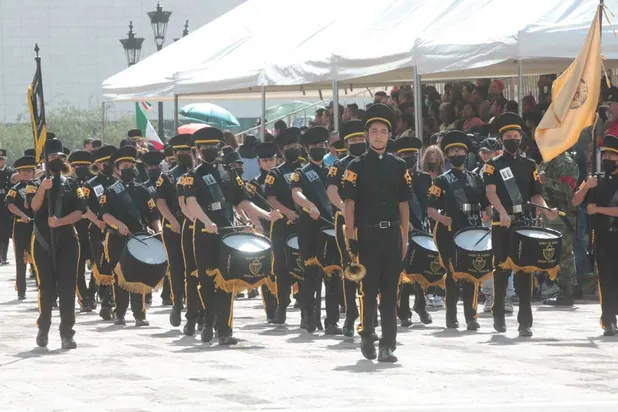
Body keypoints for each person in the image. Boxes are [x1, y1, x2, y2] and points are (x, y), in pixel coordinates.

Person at [184, 127, 277, 345]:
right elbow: (191, 202)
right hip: (206, 232)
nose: (210, 150)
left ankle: (225, 329)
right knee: (207, 281)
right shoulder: (192, 176)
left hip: (228, 231)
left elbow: (241, 201)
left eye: (214, 146)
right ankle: (208, 321)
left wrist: (266, 215)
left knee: (226, 281)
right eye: (205, 147)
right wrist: (206, 222)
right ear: (197, 150)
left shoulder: (229, 172)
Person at [341, 103, 411, 363]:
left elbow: (403, 204)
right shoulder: (356, 167)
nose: (379, 135)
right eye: (374, 131)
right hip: (367, 236)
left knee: (391, 292)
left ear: (390, 135)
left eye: (383, 131)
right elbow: (349, 204)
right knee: (368, 291)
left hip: (392, 235)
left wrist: (405, 236)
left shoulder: (399, 165)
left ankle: (388, 345)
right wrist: (351, 236)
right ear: (367, 135)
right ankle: (367, 334)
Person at [483, 112, 558, 337]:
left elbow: (536, 195)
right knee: (502, 270)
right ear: (501, 139)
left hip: (524, 223)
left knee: (525, 272)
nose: (513, 139)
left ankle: (525, 321)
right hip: (502, 223)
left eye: (516, 135)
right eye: (508, 136)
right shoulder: (493, 165)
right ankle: (498, 311)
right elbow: (490, 192)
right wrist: (502, 212)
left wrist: (546, 209)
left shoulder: (529, 164)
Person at [27, 136, 86, 349]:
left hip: (68, 242)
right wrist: (43, 187)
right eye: (51, 156)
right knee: (47, 288)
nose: (55, 159)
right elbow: (33, 207)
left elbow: (81, 210)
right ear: (44, 159)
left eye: (58, 156)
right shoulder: (35, 183)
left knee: (68, 288)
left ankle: (67, 333)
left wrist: (60, 221)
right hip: (43, 242)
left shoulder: (72, 182)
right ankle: (43, 327)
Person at [427, 131, 491, 330]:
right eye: (453, 151)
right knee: (453, 275)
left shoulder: (475, 178)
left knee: (471, 274)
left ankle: (471, 317)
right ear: (447, 155)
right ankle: (451, 316)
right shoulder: (441, 181)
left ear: (466, 153)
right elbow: (430, 209)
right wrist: (443, 218)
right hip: (448, 231)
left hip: (472, 230)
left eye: (460, 150)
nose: (457, 153)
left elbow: (485, 204)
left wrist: (492, 213)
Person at [99, 145, 162, 327]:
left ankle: (139, 314)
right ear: (117, 170)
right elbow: (105, 215)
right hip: (117, 239)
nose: (129, 170)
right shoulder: (110, 191)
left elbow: (153, 214)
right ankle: (119, 313)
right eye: (124, 167)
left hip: (139, 238)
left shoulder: (142, 190)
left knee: (138, 276)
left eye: (131, 166)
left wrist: (157, 229)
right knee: (119, 278)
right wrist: (118, 224)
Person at [290, 126, 342, 335]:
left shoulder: (332, 172)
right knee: (311, 275)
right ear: (307, 149)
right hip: (310, 228)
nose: (319, 149)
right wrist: (309, 205)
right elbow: (296, 194)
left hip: (330, 227)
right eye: (315, 146)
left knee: (333, 274)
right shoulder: (300, 173)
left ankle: (332, 321)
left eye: (322, 145)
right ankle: (309, 317)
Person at [573, 134, 618, 335]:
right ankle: (608, 319)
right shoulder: (596, 179)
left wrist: (597, 209)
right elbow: (575, 201)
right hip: (602, 236)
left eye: (612, 156)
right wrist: (586, 186)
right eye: (606, 155)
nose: (608, 159)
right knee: (606, 279)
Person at [326, 119, 367, 336]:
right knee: (350, 267)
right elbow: (332, 191)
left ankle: (369, 315)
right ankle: (351, 315)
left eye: (361, 138)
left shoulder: (373, 162)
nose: (358, 142)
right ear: (346, 143)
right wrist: (345, 208)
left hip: (372, 220)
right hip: (346, 222)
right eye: (353, 140)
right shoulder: (339, 165)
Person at [392, 136, 433, 327]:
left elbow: (429, 203)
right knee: (404, 271)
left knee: (420, 269)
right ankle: (404, 310)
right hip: (401, 227)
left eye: (413, 155)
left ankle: (421, 305)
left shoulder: (424, 178)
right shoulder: (394, 177)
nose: (410, 158)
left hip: (421, 226)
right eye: (405, 155)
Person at [265, 127, 304, 324]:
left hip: (305, 225)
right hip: (283, 225)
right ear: (281, 150)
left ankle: (307, 308)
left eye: (295, 145)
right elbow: (271, 198)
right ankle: (282, 304)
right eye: (288, 146)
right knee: (281, 266)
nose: (292, 149)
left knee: (306, 266)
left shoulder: (306, 170)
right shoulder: (275, 173)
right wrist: (288, 212)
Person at [156, 134, 194, 327]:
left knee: (195, 269)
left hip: (196, 226)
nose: (184, 154)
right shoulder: (167, 176)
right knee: (178, 268)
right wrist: (172, 221)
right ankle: (178, 303)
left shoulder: (198, 173)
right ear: (175, 153)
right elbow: (160, 202)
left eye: (187, 150)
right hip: (174, 227)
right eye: (180, 151)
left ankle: (195, 308)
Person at [245, 142, 280, 322]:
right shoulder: (254, 183)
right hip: (264, 227)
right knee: (267, 268)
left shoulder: (282, 177)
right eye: (265, 160)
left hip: (282, 227)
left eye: (271, 160)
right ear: (259, 163)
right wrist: (256, 223)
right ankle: (271, 309)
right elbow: (249, 206)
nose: (269, 163)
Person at [82, 145, 118, 320]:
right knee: (100, 264)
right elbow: (83, 207)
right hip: (98, 229)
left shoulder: (119, 182)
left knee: (115, 265)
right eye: (104, 163)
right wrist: (96, 221)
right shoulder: (90, 185)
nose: (108, 165)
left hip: (117, 230)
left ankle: (108, 301)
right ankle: (93, 294)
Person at [539, 149, 579, 306]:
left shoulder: (566, 163)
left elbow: (569, 188)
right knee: (554, 254)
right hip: (549, 214)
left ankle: (567, 293)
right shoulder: (548, 160)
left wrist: (545, 180)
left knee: (565, 255)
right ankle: (557, 288)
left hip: (563, 215)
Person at [140, 150, 170, 305]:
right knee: (148, 262)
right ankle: (147, 293)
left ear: (161, 166)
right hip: (151, 228)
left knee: (170, 262)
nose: (153, 169)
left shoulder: (168, 183)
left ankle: (168, 295)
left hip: (168, 224)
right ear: (146, 169)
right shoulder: (143, 188)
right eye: (150, 167)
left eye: (156, 166)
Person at [68, 150, 96, 312]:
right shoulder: (69, 183)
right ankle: (83, 297)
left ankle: (92, 292)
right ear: (72, 167)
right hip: (76, 228)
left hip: (93, 228)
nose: (81, 168)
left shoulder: (94, 183)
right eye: (77, 166)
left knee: (97, 264)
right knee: (77, 266)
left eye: (84, 166)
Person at [5, 155, 36, 300]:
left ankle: (42, 286)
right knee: (20, 258)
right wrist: (22, 214)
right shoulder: (15, 189)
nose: (25, 173)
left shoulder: (39, 186)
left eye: (29, 170)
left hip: (37, 225)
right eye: (23, 170)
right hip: (20, 225)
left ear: (33, 171)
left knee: (38, 257)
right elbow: (10, 204)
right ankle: (21, 290)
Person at [0, 149, 17, 265]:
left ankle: (4, 256)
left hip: (6, 206)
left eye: (2, 159)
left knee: (5, 232)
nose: (0, 161)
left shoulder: (11, 172)